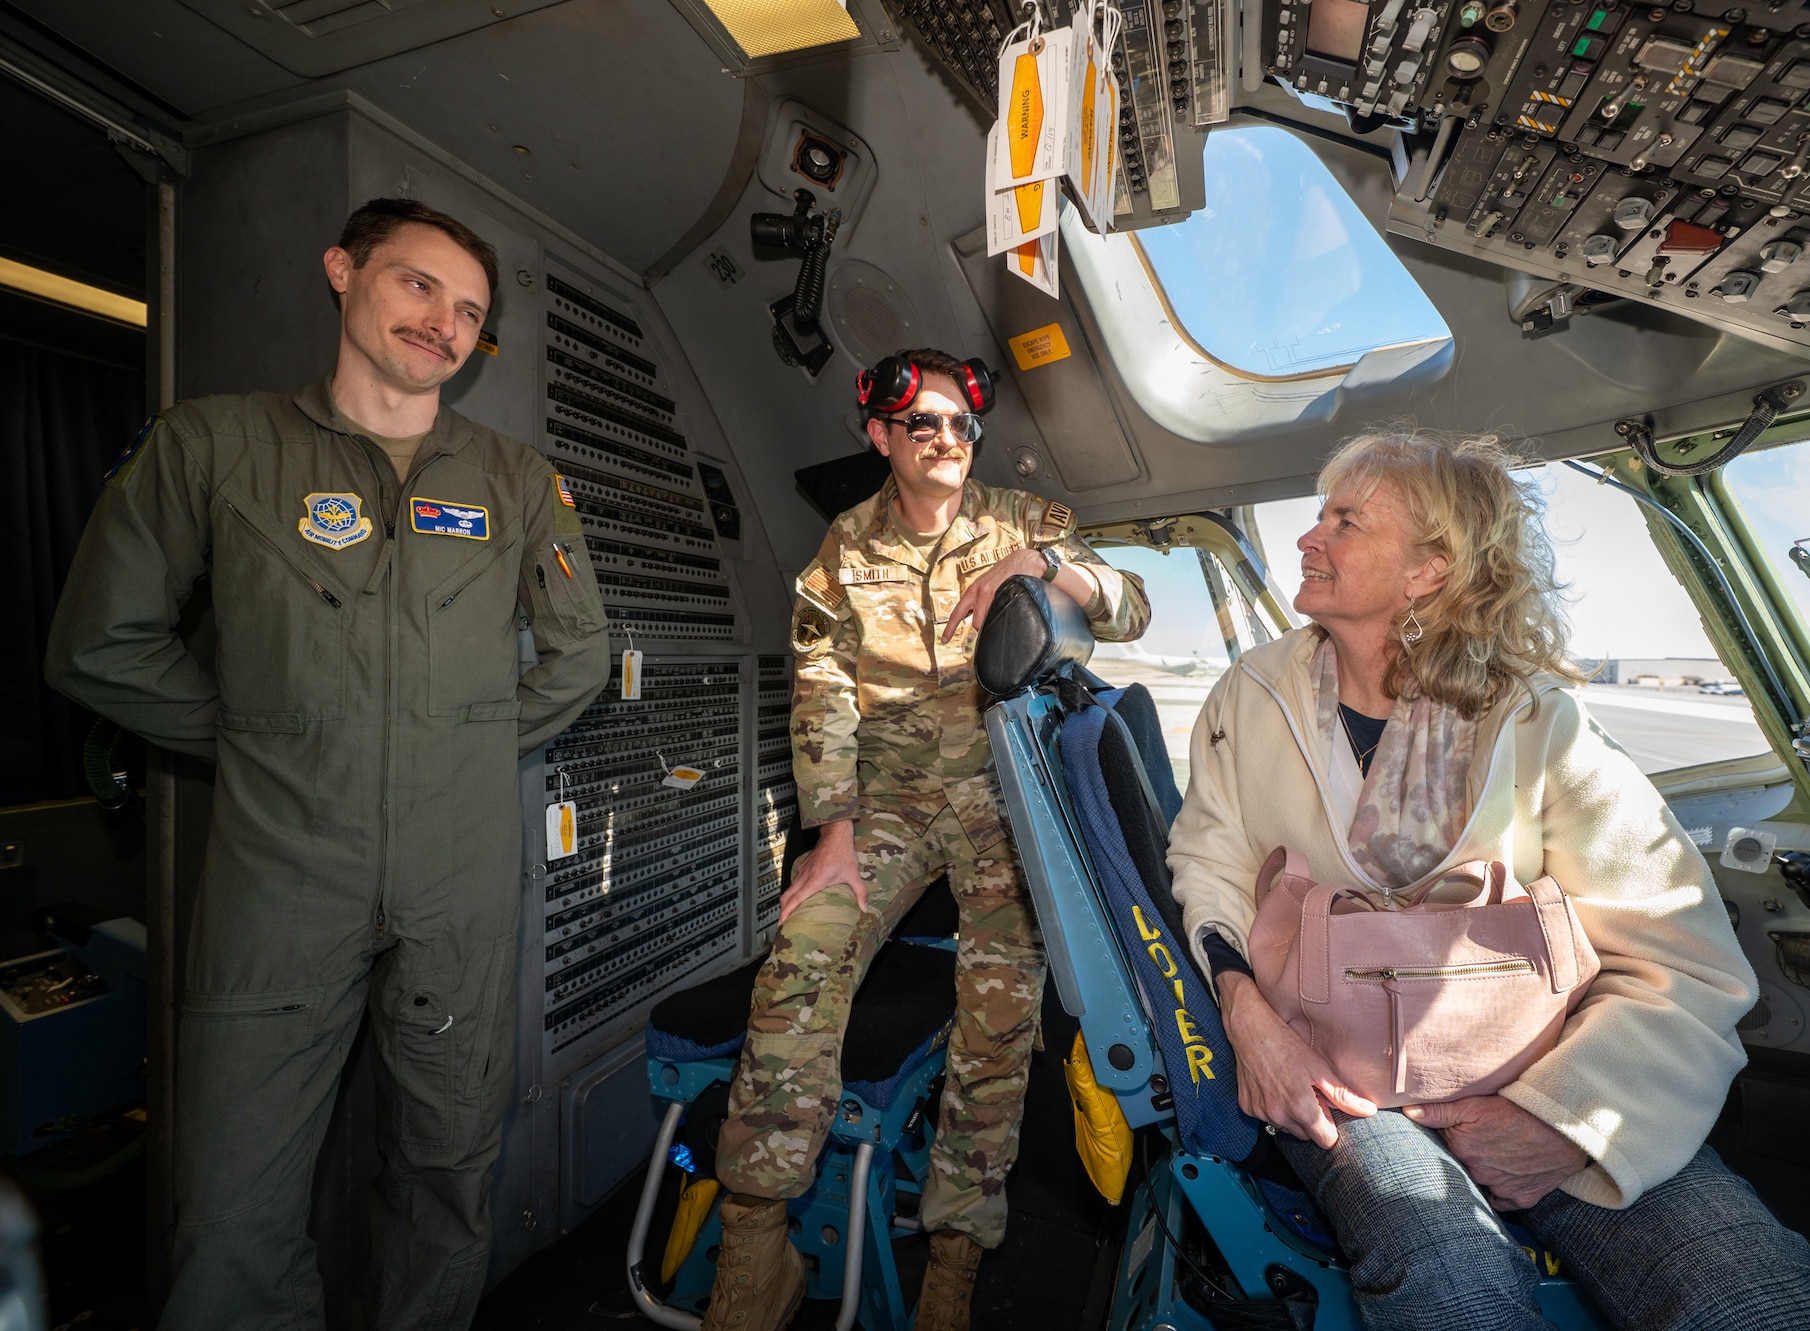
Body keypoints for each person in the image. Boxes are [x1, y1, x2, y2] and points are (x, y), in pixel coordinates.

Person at [45, 198, 610, 1330]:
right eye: (417, 285)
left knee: (448, 1172)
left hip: (456, 876)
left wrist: (444, 743)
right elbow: (99, 644)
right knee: (229, 1200)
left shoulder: (512, 477)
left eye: (469, 313)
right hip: (282, 874)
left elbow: (578, 656)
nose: (442, 324)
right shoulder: (214, 445)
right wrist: (274, 732)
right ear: (342, 271)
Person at [1166, 432, 1810, 1331]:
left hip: (1547, 1066)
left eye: (1345, 521)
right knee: (1453, 1288)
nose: (1309, 537)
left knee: (1754, 1297)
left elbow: (1682, 962)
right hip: (1345, 1082)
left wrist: (1565, 1120)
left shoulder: (1537, 720)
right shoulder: (1249, 696)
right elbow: (1210, 863)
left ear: (1428, 570)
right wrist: (1249, 1015)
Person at [701, 348, 1150, 1331]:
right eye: (925, 425)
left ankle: (955, 1254)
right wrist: (831, 834)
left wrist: (1042, 564)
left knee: (994, 1027)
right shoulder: (843, 549)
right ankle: (753, 1236)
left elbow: (1127, 603)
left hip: (1006, 797)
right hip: (889, 800)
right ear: (880, 437)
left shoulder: (1020, 520)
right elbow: (819, 690)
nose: (948, 440)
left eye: (960, 425)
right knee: (803, 951)